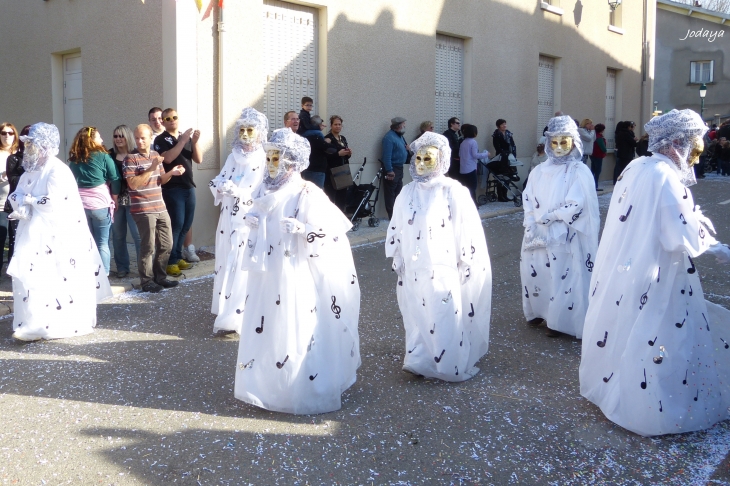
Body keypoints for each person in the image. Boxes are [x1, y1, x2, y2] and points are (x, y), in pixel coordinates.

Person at [580, 109, 730, 437]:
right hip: (657, 272)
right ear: (676, 142)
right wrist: (713, 246)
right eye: (693, 143)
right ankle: (653, 401)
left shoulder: (639, 167)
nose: (698, 152)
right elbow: (679, 229)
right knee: (659, 331)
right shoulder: (662, 175)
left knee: (630, 323)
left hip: (631, 269)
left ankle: (618, 384)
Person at [234, 128, 360, 414]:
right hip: (268, 272)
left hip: (295, 271)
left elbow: (331, 233)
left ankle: (298, 386)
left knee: (295, 323)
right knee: (268, 322)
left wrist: (305, 230)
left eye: (275, 156)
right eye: (267, 156)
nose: (270, 162)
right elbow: (254, 215)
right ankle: (269, 384)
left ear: (292, 160)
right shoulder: (263, 189)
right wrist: (252, 220)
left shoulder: (307, 192)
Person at [386, 132, 491, 381]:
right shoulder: (407, 192)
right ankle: (419, 359)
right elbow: (396, 224)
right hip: (414, 265)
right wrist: (397, 254)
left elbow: (467, 227)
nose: (421, 163)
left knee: (442, 311)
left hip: (443, 264)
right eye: (419, 158)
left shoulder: (452, 190)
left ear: (441, 159)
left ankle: (447, 362)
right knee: (416, 310)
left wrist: (466, 259)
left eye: (428, 158)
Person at [7, 122, 112, 341]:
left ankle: (54, 322)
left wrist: (30, 201)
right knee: (32, 276)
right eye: (28, 145)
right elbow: (16, 193)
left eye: (33, 144)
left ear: (45, 145)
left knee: (54, 277)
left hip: (56, 236)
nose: (29, 149)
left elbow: (55, 202)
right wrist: (22, 203)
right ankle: (33, 321)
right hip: (32, 234)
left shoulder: (58, 170)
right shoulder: (31, 171)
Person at [520, 115, 600, 338]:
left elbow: (579, 202)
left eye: (563, 142)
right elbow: (528, 197)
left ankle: (561, 320)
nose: (558, 147)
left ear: (574, 142)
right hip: (539, 231)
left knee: (562, 274)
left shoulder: (578, 171)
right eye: (554, 142)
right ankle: (539, 310)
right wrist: (532, 221)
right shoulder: (539, 171)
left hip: (565, 233)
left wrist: (554, 216)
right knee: (537, 271)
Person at [209, 108, 267, 334]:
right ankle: (225, 305)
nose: (245, 134)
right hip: (228, 218)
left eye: (250, 130)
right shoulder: (233, 156)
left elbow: (263, 190)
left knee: (242, 261)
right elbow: (221, 178)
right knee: (227, 258)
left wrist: (241, 192)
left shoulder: (264, 158)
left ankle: (241, 311)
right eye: (241, 129)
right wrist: (221, 186)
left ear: (259, 133)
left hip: (248, 219)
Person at [124, 124, 182, 293]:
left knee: (167, 244)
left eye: (143, 138)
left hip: (160, 206)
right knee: (148, 246)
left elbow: (160, 180)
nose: (139, 141)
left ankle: (160, 277)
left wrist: (172, 173)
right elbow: (133, 184)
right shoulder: (131, 158)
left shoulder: (155, 155)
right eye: (137, 138)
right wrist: (151, 167)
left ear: (151, 138)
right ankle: (147, 281)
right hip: (143, 208)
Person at [154, 108, 202, 276]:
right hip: (173, 188)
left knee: (186, 225)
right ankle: (170, 261)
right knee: (176, 224)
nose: (172, 120)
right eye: (168, 118)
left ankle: (178, 256)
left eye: (174, 117)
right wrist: (182, 141)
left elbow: (198, 159)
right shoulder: (161, 139)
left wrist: (194, 142)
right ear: (163, 122)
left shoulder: (184, 137)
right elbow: (167, 158)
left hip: (189, 186)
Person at [68, 127, 121, 276]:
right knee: (103, 242)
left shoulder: (74, 159)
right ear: (91, 140)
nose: (102, 140)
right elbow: (116, 178)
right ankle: (103, 275)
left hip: (80, 205)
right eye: (99, 137)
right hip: (100, 205)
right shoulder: (103, 156)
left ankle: (88, 273)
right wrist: (115, 197)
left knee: (86, 242)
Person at [109, 125, 142, 278]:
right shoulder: (109, 155)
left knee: (138, 235)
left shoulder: (136, 154)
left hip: (133, 200)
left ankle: (144, 267)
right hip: (115, 200)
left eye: (121, 136)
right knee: (118, 235)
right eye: (115, 136)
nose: (118, 139)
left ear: (127, 137)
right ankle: (122, 267)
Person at [5, 125, 28, 265]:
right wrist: (30, 175)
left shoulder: (41, 159)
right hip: (17, 204)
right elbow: (13, 180)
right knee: (15, 236)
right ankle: (13, 266)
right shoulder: (14, 158)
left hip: (34, 203)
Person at [381, 117, 409, 219]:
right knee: (391, 193)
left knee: (398, 192)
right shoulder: (389, 138)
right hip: (392, 168)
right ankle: (392, 216)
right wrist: (389, 171)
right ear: (398, 126)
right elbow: (386, 156)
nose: (405, 126)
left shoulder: (400, 136)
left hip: (400, 168)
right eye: (403, 125)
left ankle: (398, 214)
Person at [324, 115, 352, 210]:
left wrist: (348, 153)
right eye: (335, 124)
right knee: (331, 197)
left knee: (342, 197)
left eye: (339, 124)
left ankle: (341, 218)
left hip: (343, 171)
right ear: (331, 126)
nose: (338, 126)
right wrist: (337, 154)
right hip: (332, 172)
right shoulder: (328, 138)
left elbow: (345, 154)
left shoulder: (342, 138)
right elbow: (325, 155)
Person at [458, 124, 489, 204]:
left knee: (466, 187)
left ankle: (466, 204)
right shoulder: (473, 142)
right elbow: (475, 155)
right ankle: (473, 204)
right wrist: (486, 154)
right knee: (472, 188)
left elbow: (460, 155)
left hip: (463, 168)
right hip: (471, 168)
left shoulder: (463, 142)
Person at [0, 123, 16, 273]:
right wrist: (3, 176)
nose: (7, 136)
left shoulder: (18, 153)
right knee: (1, 238)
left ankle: (12, 272)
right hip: (0, 204)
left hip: (16, 205)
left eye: (10, 133)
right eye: (4, 133)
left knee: (15, 240)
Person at [490, 119, 519, 202]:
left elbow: (513, 145)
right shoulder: (496, 134)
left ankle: (505, 194)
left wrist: (513, 155)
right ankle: (500, 196)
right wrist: (504, 154)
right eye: (502, 124)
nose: (504, 126)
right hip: (501, 157)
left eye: (505, 124)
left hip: (510, 157)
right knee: (501, 176)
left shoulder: (508, 134)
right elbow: (497, 147)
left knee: (508, 176)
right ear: (498, 126)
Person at [300, 115, 329, 189]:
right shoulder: (318, 135)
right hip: (317, 169)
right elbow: (325, 147)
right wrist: (326, 142)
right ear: (319, 125)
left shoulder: (304, 134)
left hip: (306, 168)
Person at [614, 121, 637, 185]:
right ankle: (622, 181)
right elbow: (633, 143)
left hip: (621, 153)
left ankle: (618, 181)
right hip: (626, 153)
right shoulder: (627, 133)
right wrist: (634, 140)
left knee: (620, 167)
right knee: (625, 168)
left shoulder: (620, 133)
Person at [590, 123, 607, 191]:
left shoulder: (593, 135)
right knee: (597, 171)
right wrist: (605, 150)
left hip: (592, 155)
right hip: (598, 155)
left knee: (593, 170)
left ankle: (592, 185)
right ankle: (595, 185)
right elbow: (603, 148)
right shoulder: (599, 137)